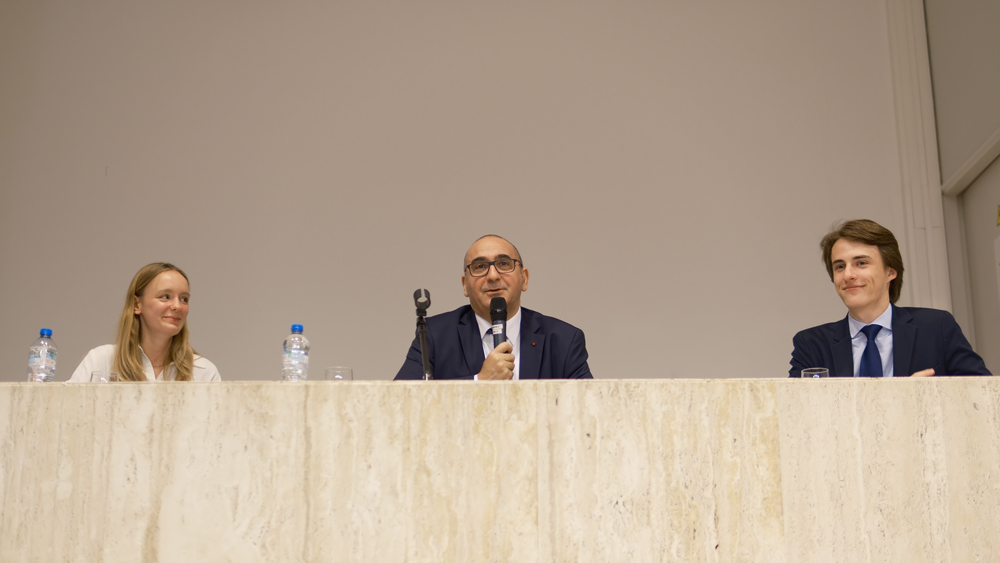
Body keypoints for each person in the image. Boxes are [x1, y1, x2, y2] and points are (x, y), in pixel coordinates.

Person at [789, 219, 989, 377]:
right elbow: (794, 414)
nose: (848, 275)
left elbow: (984, 395)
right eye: (839, 266)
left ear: (890, 272)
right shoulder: (811, 345)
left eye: (861, 263)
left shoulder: (937, 328)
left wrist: (927, 396)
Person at [395, 235, 593, 380]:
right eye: (480, 267)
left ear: (524, 278)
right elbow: (402, 401)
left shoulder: (564, 340)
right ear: (465, 285)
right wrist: (479, 382)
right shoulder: (435, 336)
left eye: (504, 263)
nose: (492, 276)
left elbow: (591, 409)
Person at [69, 262, 221, 382]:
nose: (177, 306)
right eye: (165, 296)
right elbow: (65, 414)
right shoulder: (101, 360)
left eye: (184, 299)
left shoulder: (203, 371)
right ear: (137, 305)